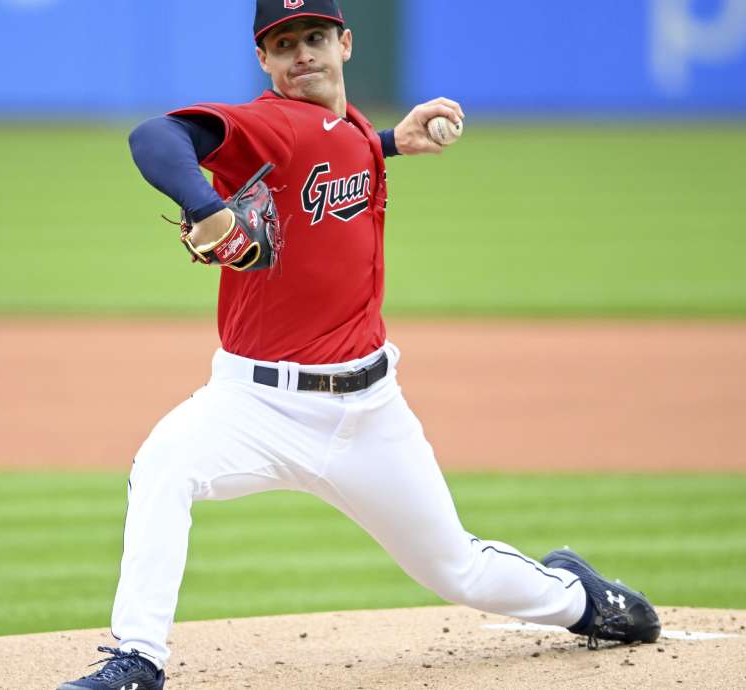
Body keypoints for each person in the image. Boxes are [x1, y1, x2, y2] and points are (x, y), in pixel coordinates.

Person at [58, 2, 659, 688]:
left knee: (455, 569)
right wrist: (206, 205)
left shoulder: (346, 131)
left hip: (370, 413)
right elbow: (155, 137)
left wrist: (389, 142)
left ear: (346, 42)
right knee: (164, 464)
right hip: (252, 404)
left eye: (315, 37)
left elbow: (338, 147)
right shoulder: (268, 126)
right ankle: (139, 658)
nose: (301, 54)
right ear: (264, 60)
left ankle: (583, 599)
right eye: (283, 44)